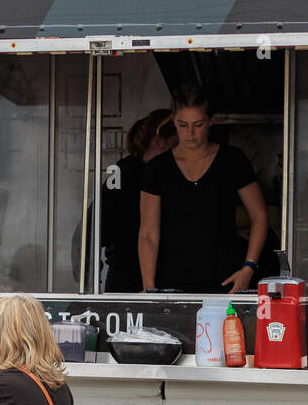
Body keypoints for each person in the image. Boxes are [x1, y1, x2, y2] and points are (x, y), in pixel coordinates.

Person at [138, 84, 270, 294]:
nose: (190, 133)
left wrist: (249, 267)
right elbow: (148, 233)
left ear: (211, 121)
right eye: (182, 125)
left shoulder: (232, 160)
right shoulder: (157, 169)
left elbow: (259, 215)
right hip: (170, 284)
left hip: (226, 282)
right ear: (173, 121)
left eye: (198, 124)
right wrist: (149, 286)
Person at [101, 109, 176, 291]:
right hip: (141, 278)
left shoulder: (119, 172)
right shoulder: (129, 175)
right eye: (177, 146)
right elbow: (93, 229)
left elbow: (92, 228)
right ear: (158, 142)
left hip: (122, 278)